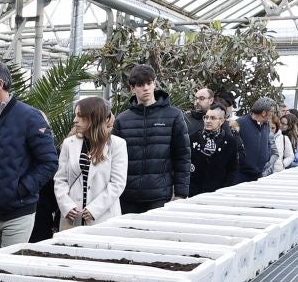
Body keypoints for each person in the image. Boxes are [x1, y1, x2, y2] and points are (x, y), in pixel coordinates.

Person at [0, 56, 56, 253]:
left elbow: (48, 162)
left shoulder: (30, 117)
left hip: (18, 212)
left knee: (7, 268)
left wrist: (22, 189)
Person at [114, 64, 191, 212]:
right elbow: (113, 159)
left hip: (160, 196)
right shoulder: (122, 120)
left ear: (154, 84)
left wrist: (181, 193)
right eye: (140, 85)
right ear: (132, 88)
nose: (146, 88)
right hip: (127, 196)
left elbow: (183, 156)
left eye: (149, 83)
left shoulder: (174, 115)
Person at [53, 96, 127, 226]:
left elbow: (117, 183)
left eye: (80, 116)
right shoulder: (69, 143)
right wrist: (66, 205)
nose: (75, 120)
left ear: (94, 117)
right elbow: (60, 179)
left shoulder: (116, 144)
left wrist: (94, 209)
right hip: (72, 217)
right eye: (75, 115)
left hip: (104, 217)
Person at [188, 105, 240, 193]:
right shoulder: (193, 138)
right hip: (194, 192)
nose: (208, 121)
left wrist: (225, 189)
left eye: (213, 118)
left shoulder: (229, 141)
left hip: (218, 192)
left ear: (221, 121)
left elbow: (232, 169)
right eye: (206, 117)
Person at [234, 97, 276, 184]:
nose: (273, 114)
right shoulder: (240, 123)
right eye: (271, 112)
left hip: (259, 174)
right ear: (264, 112)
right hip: (241, 175)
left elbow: (268, 143)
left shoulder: (266, 125)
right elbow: (234, 148)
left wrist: (267, 156)